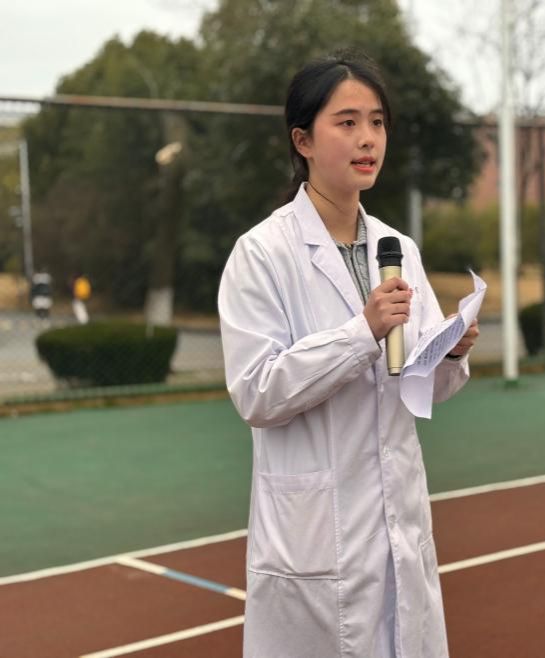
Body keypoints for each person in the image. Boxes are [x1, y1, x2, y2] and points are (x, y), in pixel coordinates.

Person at [218, 52, 479, 658]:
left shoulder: (398, 247)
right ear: (303, 140)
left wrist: (447, 355)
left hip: (397, 522)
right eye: (348, 122)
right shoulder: (262, 254)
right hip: (315, 537)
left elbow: (419, 390)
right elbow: (257, 392)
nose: (368, 139)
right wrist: (361, 333)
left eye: (378, 122)